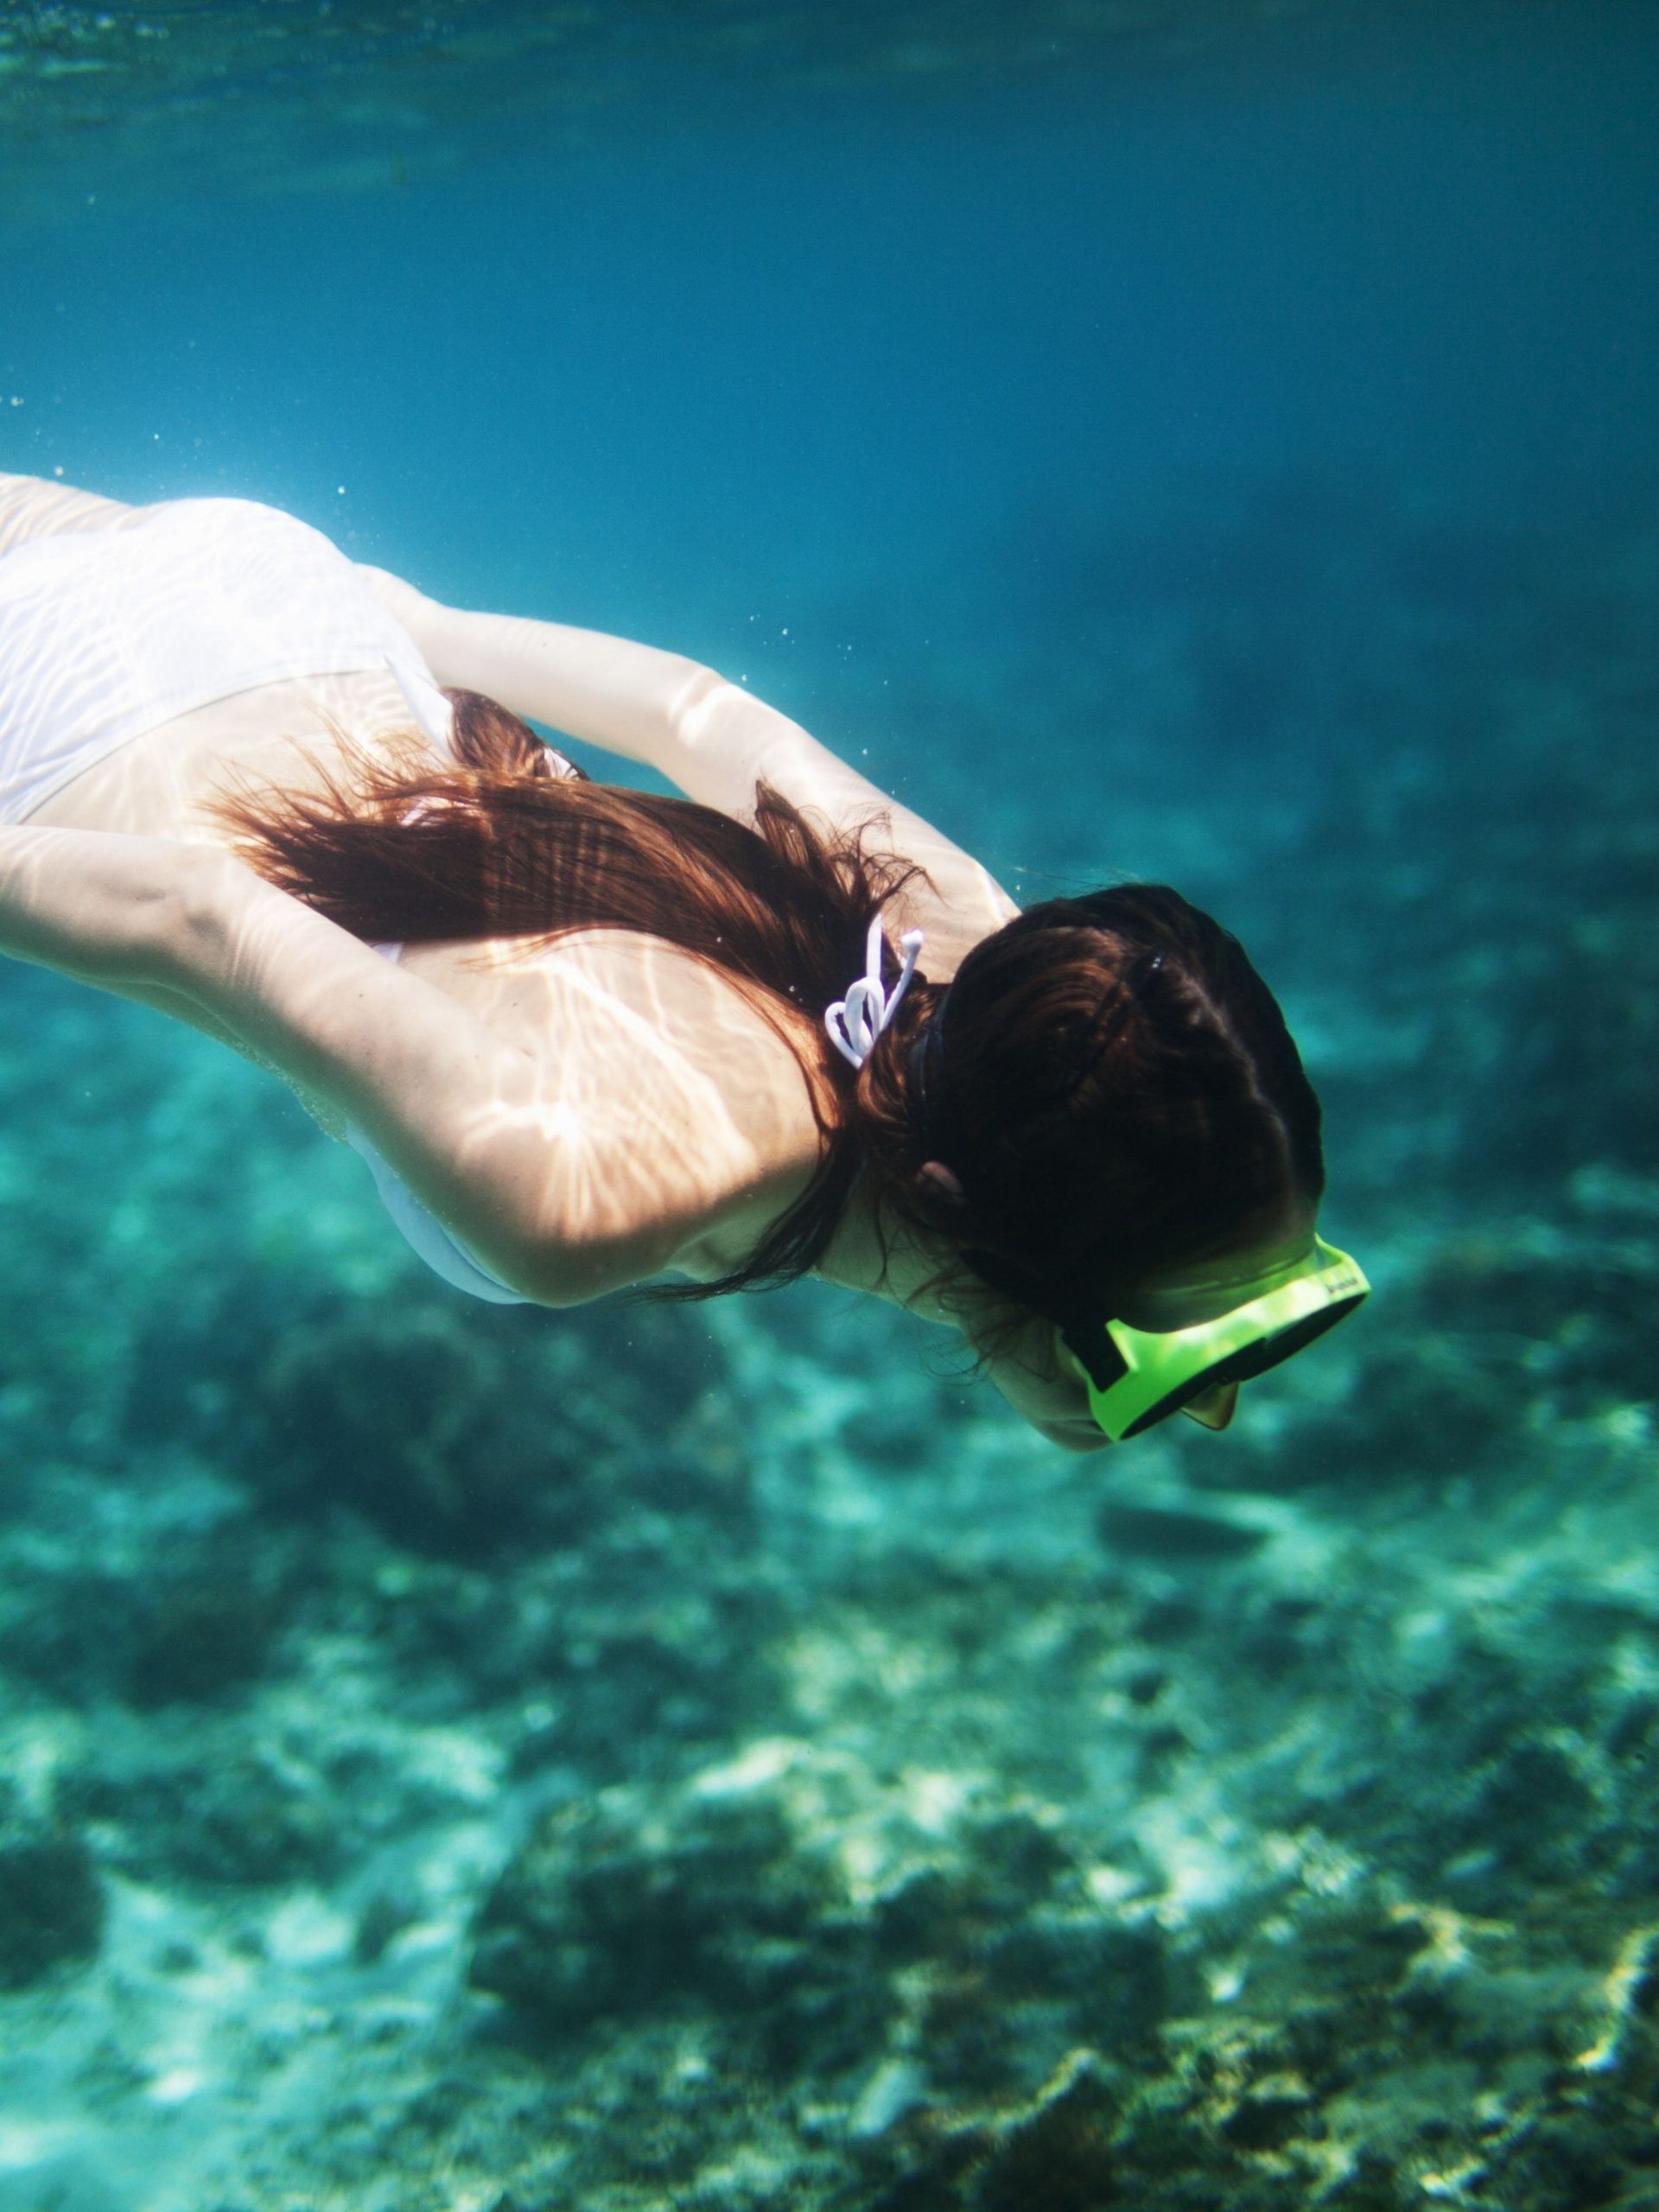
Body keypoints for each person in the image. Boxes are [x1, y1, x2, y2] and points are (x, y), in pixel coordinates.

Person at [0, 473, 1365, 1452]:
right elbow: (199, 916)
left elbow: (694, 712)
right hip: (70, 711)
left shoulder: (976, 950)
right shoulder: (576, 1194)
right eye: (1187, 1350)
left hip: (274, 601)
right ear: (993, 1224)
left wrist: (394, 613)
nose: (1221, 1403)